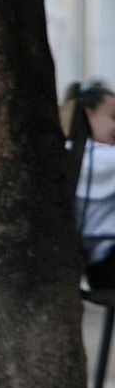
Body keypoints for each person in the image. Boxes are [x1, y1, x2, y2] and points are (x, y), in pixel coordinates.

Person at [67, 81, 115, 289]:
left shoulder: (65, 154)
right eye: (114, 117)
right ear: (88, 114)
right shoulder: (101, 159)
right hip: (106, 263)